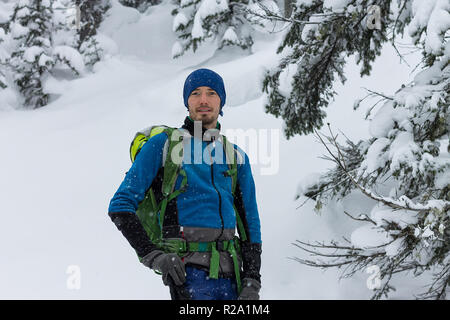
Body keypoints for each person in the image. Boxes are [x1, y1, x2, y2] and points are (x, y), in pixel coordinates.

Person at [108, 68, 262, 300]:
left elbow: (250, 221)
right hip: (188, 275)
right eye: (195, 93)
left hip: (233, 278)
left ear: (221, 101)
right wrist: (153, 255)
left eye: (211, 93)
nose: (203, 100)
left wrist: (252, 277)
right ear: (186, 101)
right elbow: (120, 204)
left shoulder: (235, 156)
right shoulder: (165, 145)